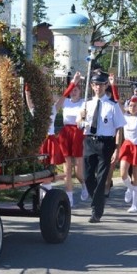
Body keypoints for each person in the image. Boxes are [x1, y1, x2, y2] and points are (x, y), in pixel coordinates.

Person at [79, 70, 126, 223]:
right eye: (95, 84)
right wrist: (82, 118)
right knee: (87, 177)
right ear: (91, 86)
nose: (98, 87)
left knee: (101, 178)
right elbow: (79, 124)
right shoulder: (86, 104)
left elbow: (119, 128)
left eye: (101, 84)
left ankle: (96, 211)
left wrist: (117, 149)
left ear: (106, 85)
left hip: (106, 143)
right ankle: (98, 201)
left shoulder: (112, 105)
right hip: (89, 141)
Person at [56, 72, 88, 203]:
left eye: (76, 90)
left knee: (78, 170)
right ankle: (69, 197)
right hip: (65, 134)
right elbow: (60, 97)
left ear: (80, 92)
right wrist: (72, 82)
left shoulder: (84, 102)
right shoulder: (66, 102)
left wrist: (81, 118)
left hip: (78, 133)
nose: (73, 92)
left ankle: (84, 185)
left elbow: (83, 114)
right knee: (67, 167)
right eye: (72, 90)